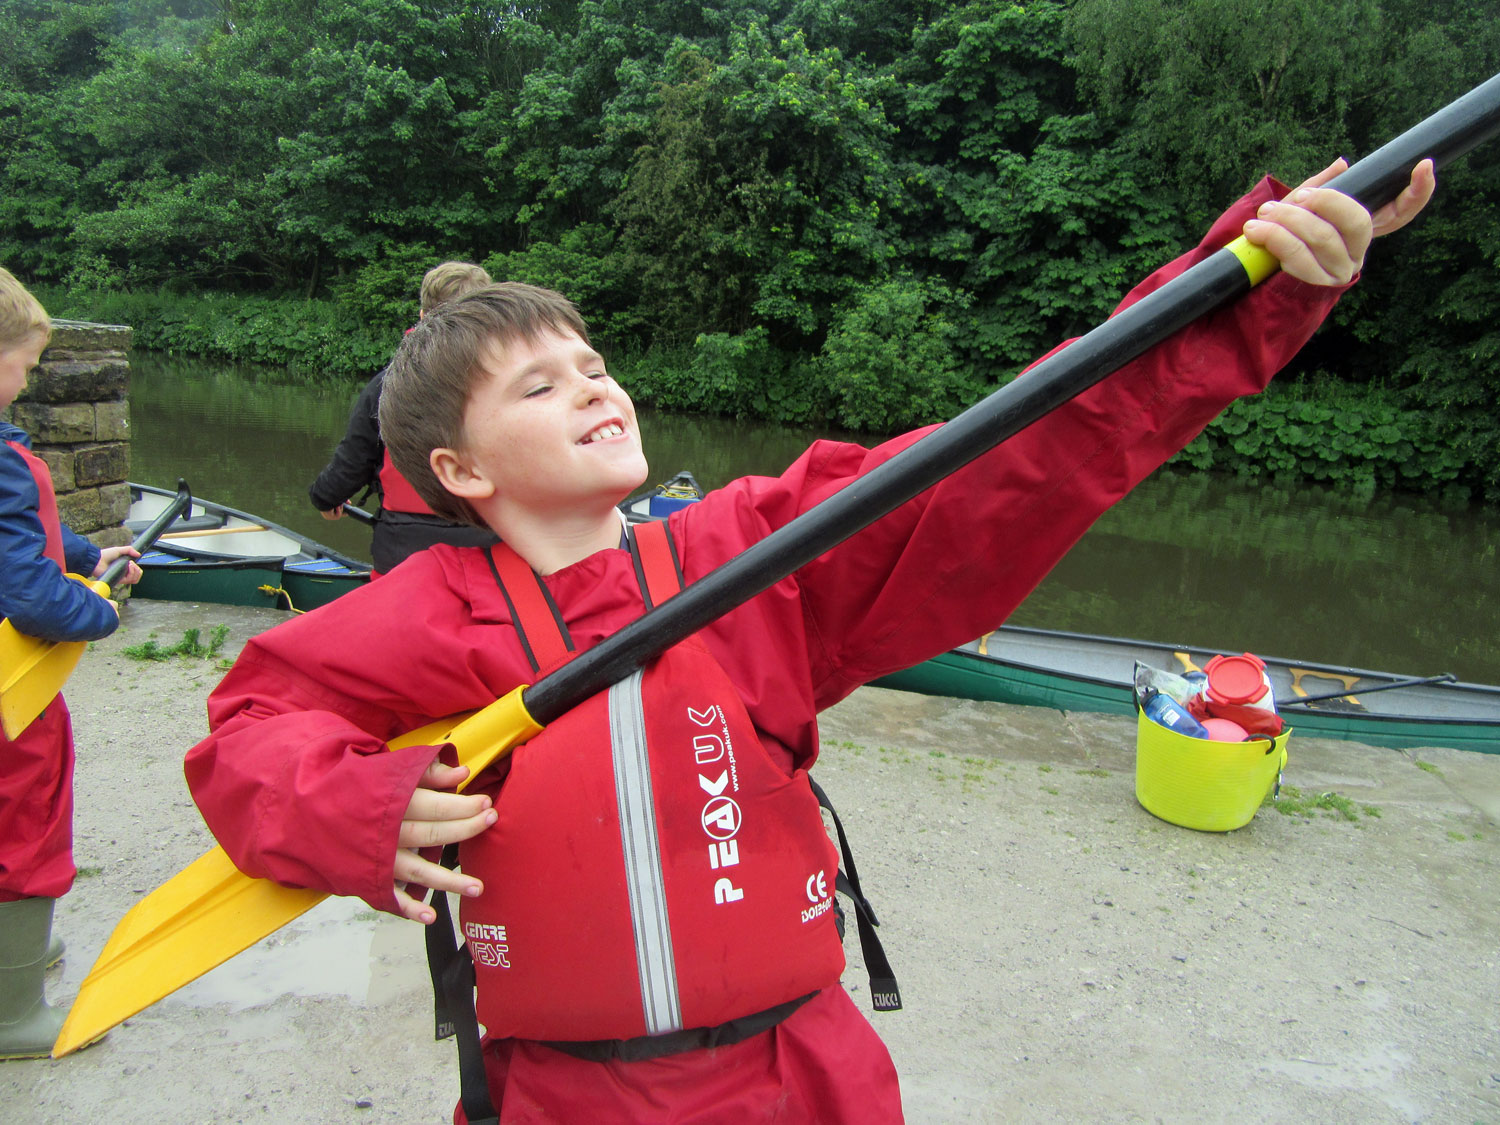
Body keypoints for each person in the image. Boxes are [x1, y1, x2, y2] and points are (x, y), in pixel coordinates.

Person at [185, 159, 1434, 1121]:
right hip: (560, 1093)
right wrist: (365, 805)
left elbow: (1016, 453)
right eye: (540, 385)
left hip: (800, 1077)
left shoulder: (751, 555)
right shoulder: (429, 617)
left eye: (595, 363)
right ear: (458, 471)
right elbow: (252, 726)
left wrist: (1243, 288)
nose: (596, 387)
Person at [0, 266, 143, 1060]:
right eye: (21, 363)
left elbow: (18, 539)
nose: (25, 382)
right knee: (22, 827)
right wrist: (99, 608)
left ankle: (8, 956)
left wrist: (90, 551)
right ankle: (12, 1011)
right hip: (12, 696)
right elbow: (31, 593)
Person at [309, 260, 499, 577]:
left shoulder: (386, 385)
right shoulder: (518, 386)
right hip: (492, 549)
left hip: (403, 553)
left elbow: (351, 464)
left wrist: (325, 498)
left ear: (424, 318)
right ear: (489, 320)